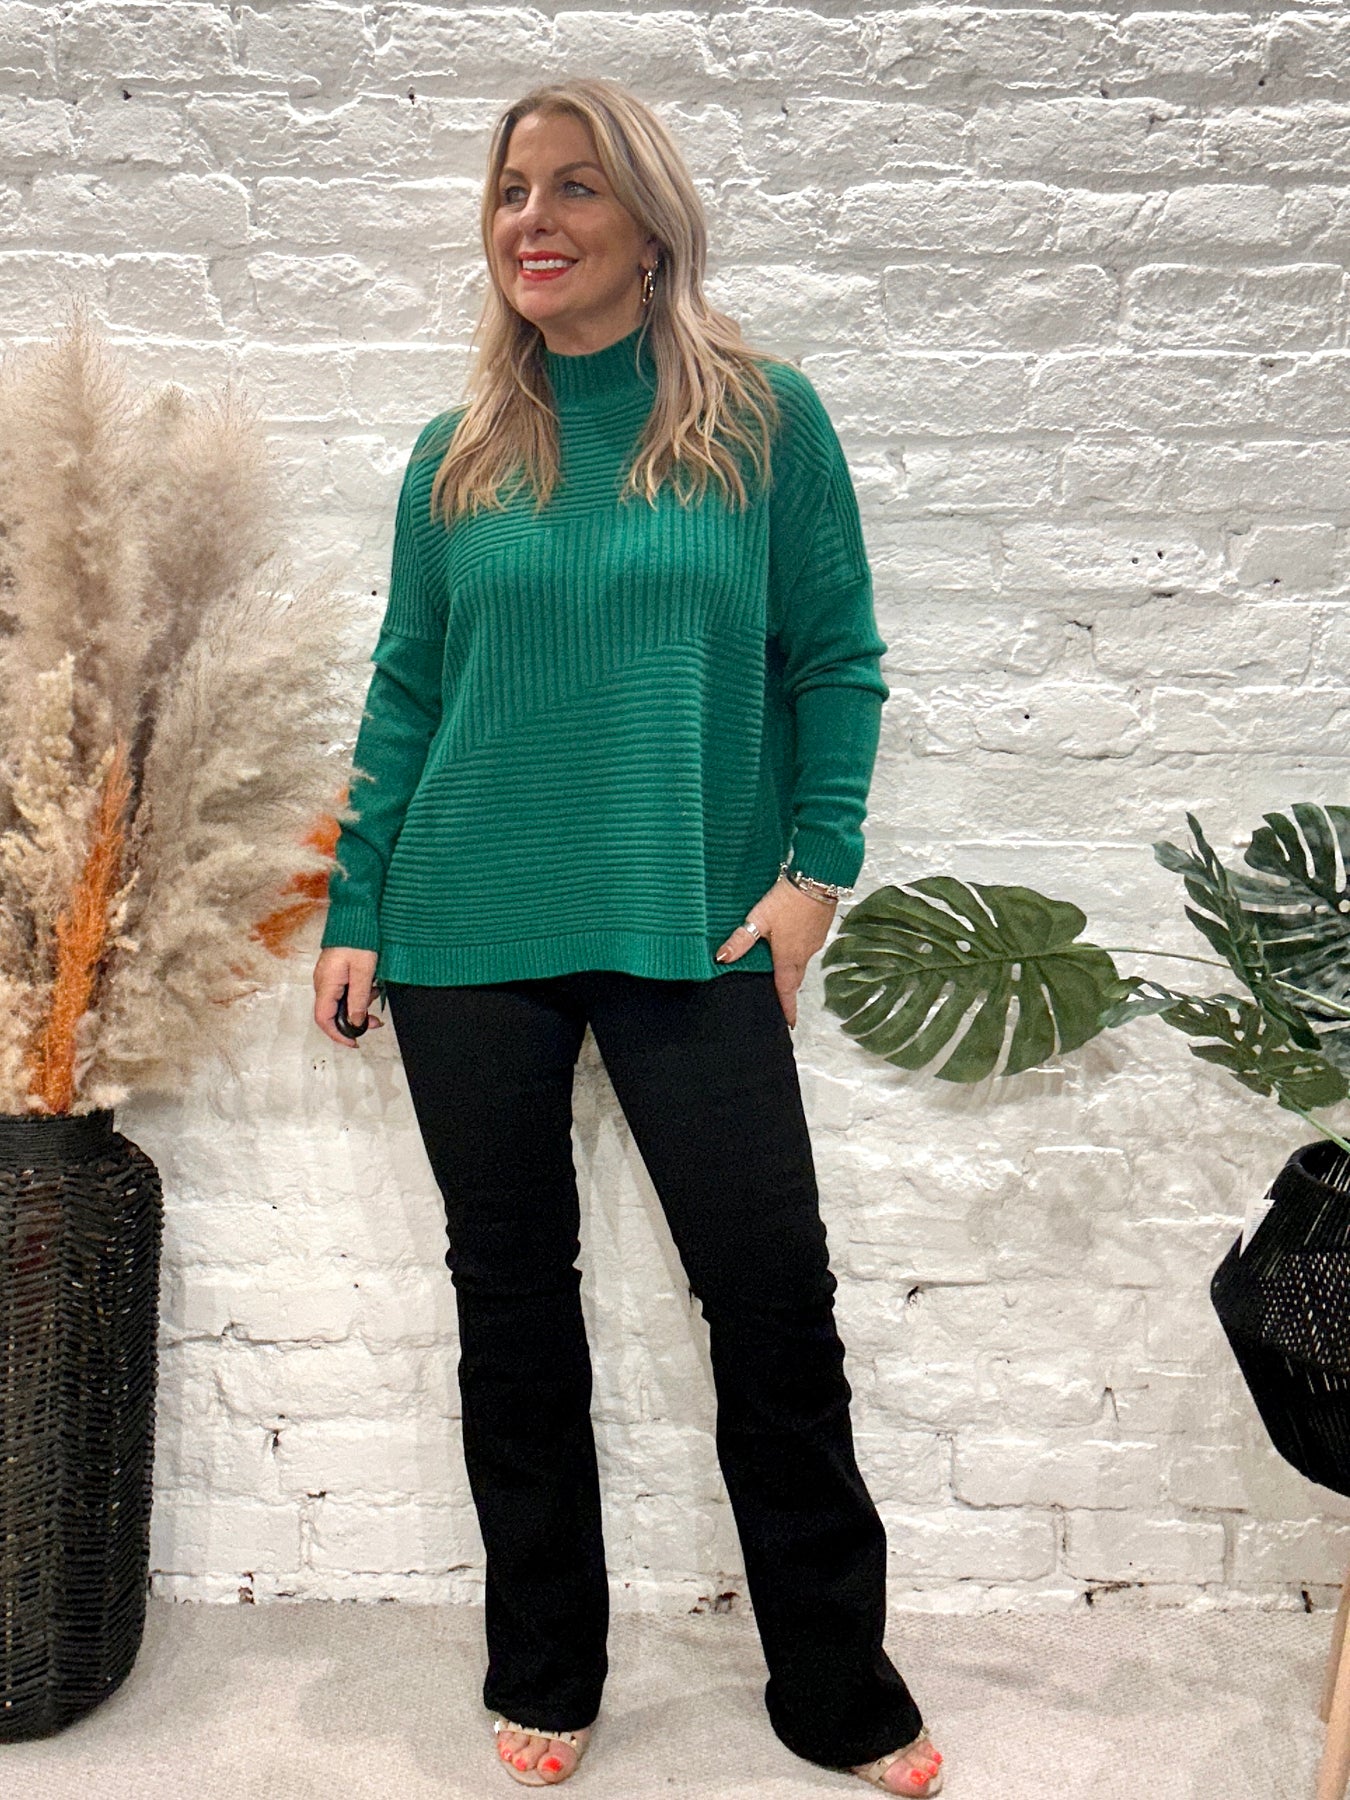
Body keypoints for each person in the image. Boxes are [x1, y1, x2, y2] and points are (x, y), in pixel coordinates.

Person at [311, 76, 945, 1798]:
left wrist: (816, 878)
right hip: (464, 928)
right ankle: (545, 1664)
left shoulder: (761, 421)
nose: (533, 218)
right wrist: (359, 902)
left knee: (772, 1298)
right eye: (512, 189)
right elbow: (407, 689)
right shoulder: (454, 458)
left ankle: (832, 1680)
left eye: (574, 186)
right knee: (512, 1307)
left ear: (650, 226)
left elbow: (837, 659)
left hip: (689, 923)